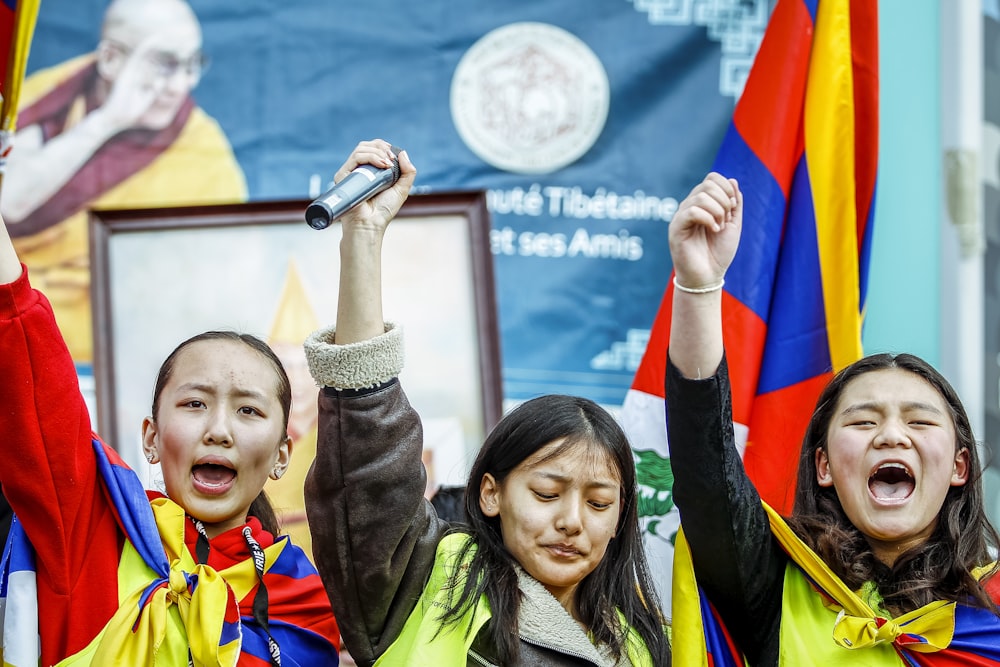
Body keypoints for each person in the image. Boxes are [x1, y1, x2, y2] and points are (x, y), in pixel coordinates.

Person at [302, 139, 671, 666]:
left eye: (598, 503)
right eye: (547, 493)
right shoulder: (429, 583)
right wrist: (361, 236)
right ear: (491, 494)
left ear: (620, 520)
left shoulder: (646, 648)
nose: (572, 521)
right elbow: (368, 466)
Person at [665, 172, 1000, 665]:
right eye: (863, 422)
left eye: (920, 422)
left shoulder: (993, 607)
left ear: (959, 466)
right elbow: (707, 473)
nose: (891, 435)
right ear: (822, 465)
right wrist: (699, 284)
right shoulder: (772, 582)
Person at [0, 209, 339, 664]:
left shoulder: (301, 601)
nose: (218, 431)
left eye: (248, 410)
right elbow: (27, 358)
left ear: (282, 455)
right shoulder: (94, 531)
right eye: (195, 404)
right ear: (151, 438)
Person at [0, 0, 247, 363]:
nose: (181, 84)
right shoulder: (55, 89)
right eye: (164, 63)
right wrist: (107, 120)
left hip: (102, 349)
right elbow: (7, 201)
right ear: (111, 60)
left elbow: (209, 286)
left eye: (192, 64)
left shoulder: (203, 153)